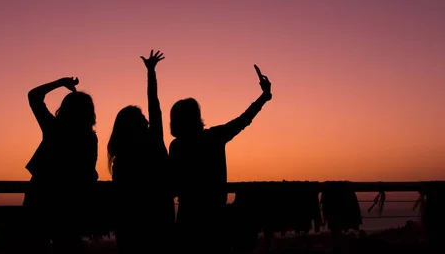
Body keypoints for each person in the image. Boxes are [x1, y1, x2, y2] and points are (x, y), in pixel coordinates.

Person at [169, 65, 273, 253]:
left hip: (188, 218)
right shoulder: (214, 136)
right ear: (197, 118)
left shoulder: (177, 146)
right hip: (215, 218)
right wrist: (264, 96)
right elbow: (244, 119)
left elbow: (173, 183)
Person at [107, 50, 175, 253]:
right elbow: (155, 106)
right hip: (158, 217)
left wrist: (151, 73)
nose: (147, 120)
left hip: (129, 221)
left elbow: (154, 107)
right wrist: (151, 72)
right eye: (141, 119)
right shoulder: (153, 141)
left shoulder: (121, 155)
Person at [24, 77, 98, 254]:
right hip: (71, 203)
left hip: (41, 197)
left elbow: (34, 96)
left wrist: (60, 83)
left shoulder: (53, 128)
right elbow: (88, 173)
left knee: (36, 244)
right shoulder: (89, 138)